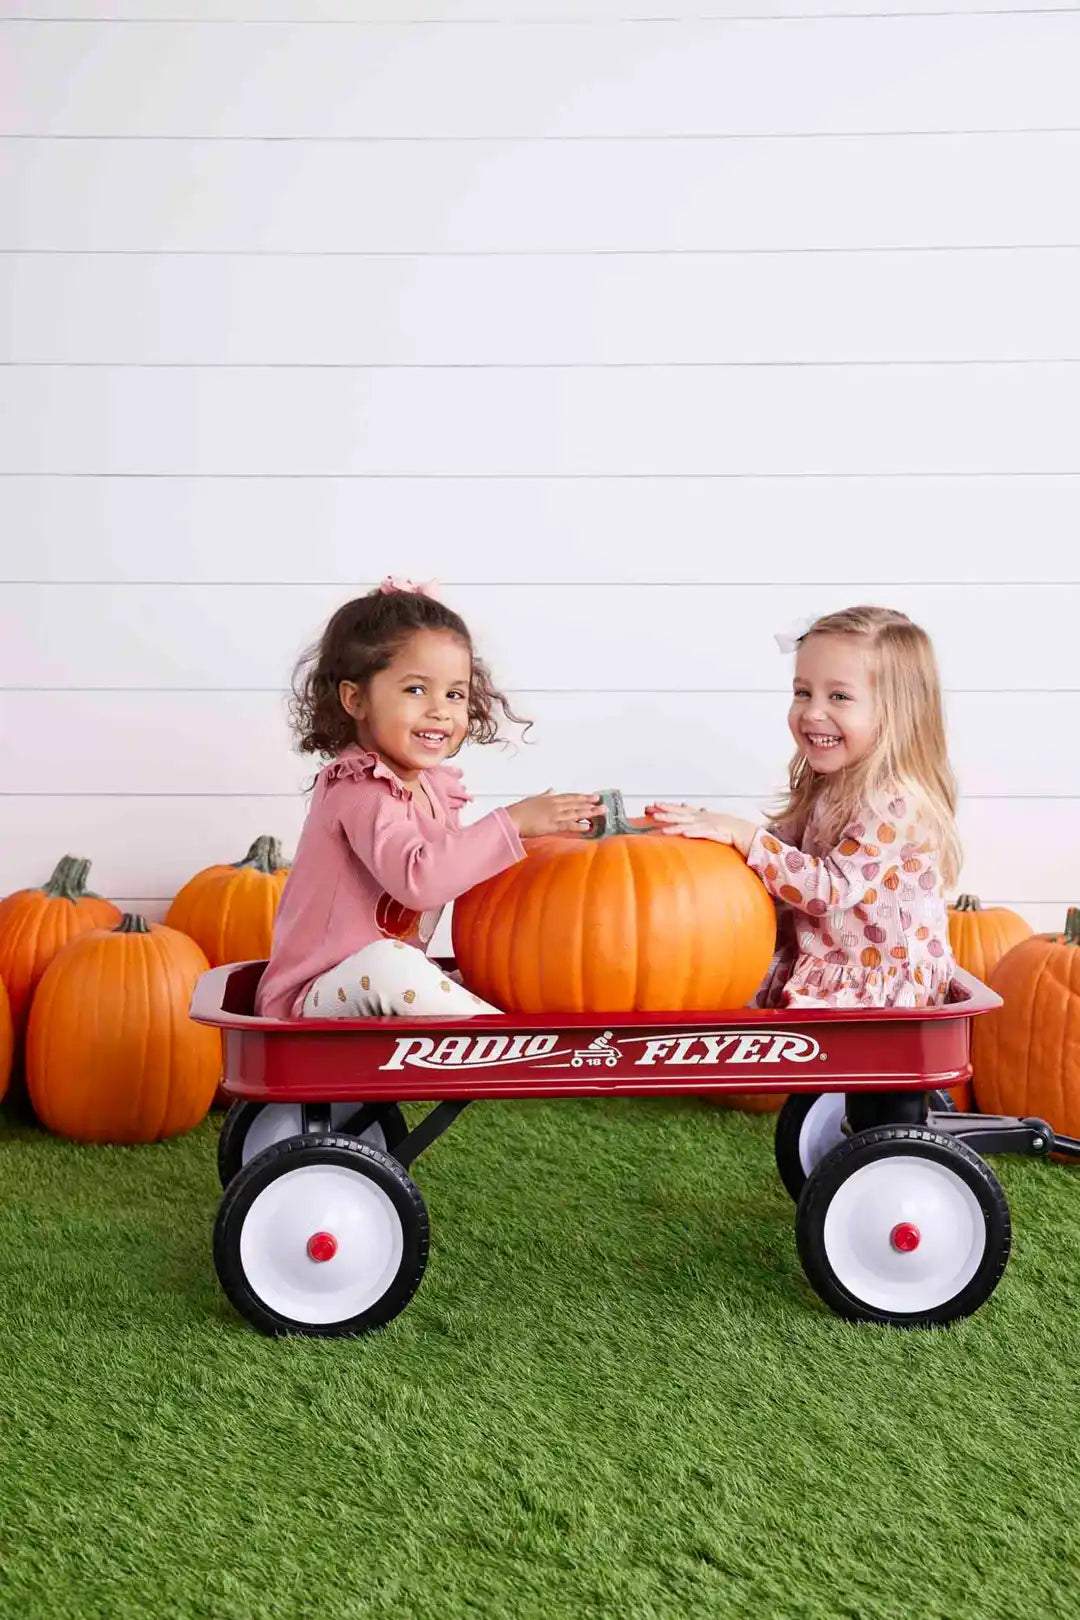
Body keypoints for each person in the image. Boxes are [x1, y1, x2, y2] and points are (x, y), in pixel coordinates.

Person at [255, 578, 599, 1020]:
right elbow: (418, 880)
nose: (440, 709)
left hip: (381, 982)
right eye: (416, 690)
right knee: (391, 966)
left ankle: (503, 1024)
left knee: (440, 972)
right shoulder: (357, 787)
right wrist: (511, 823)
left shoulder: (435, 787)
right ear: (355, 699)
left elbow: (458, 867)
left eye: (455, 694)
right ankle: (512, 1044)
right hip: (312, 996)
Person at [648, 606, 960, 1009]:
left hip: (875, 996)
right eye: (802, 692)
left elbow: (829, 890)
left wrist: (745, 836)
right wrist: (713, 840)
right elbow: (784, 852)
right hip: (822, 966)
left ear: (897, 712)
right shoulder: (830, 782)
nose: (812, 712)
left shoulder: (895, 802)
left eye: (839, 697)